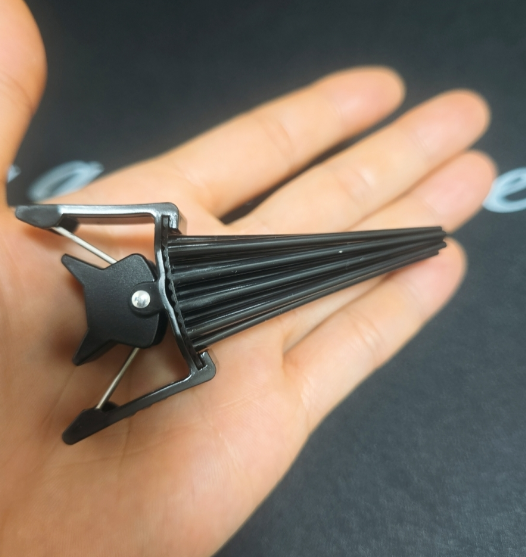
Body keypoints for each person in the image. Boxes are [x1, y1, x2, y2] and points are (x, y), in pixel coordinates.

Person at [0, 0, 495, 554]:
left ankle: (420, 242)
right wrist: (57, 219)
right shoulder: (162, 272)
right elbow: (162, 226)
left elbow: (167, 249)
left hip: (184, 310)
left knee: (371, 254)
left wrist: (58, 221)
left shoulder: (174, 309)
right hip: (177, 309)